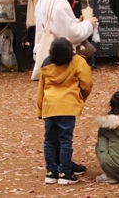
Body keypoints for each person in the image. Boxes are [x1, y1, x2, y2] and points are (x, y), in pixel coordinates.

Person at [37, 37, 93, 185]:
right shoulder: (78, 61)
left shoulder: (46, 64)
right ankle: (65, 172)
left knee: (50, 140)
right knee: (65, 140)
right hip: (68, 105)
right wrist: (80, 97)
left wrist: (40, 109)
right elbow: (87, 83)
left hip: (49, 105)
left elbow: (41, 88)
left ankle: (51, 171)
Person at [32, 0, 96, 80]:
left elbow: (56, 25)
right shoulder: (58, 2)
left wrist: (77, 22)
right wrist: (88, 24)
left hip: (45, 53)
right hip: (59, 59)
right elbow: (70, 33)